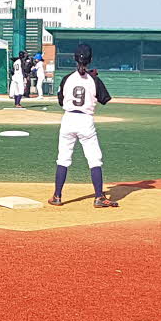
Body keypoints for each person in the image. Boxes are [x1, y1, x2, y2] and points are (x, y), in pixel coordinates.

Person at [50, 43, 116, 208]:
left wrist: (88, 75)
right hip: (85, 120)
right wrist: (92, 77)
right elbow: (104, 99)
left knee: (63, 158)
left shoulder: (67, 79)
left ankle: (57, 196)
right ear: (90, 59)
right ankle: (99, 197)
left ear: (74, 58)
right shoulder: (94, 80)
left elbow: (60, 101)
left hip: (68, 119)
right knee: (94, 159)